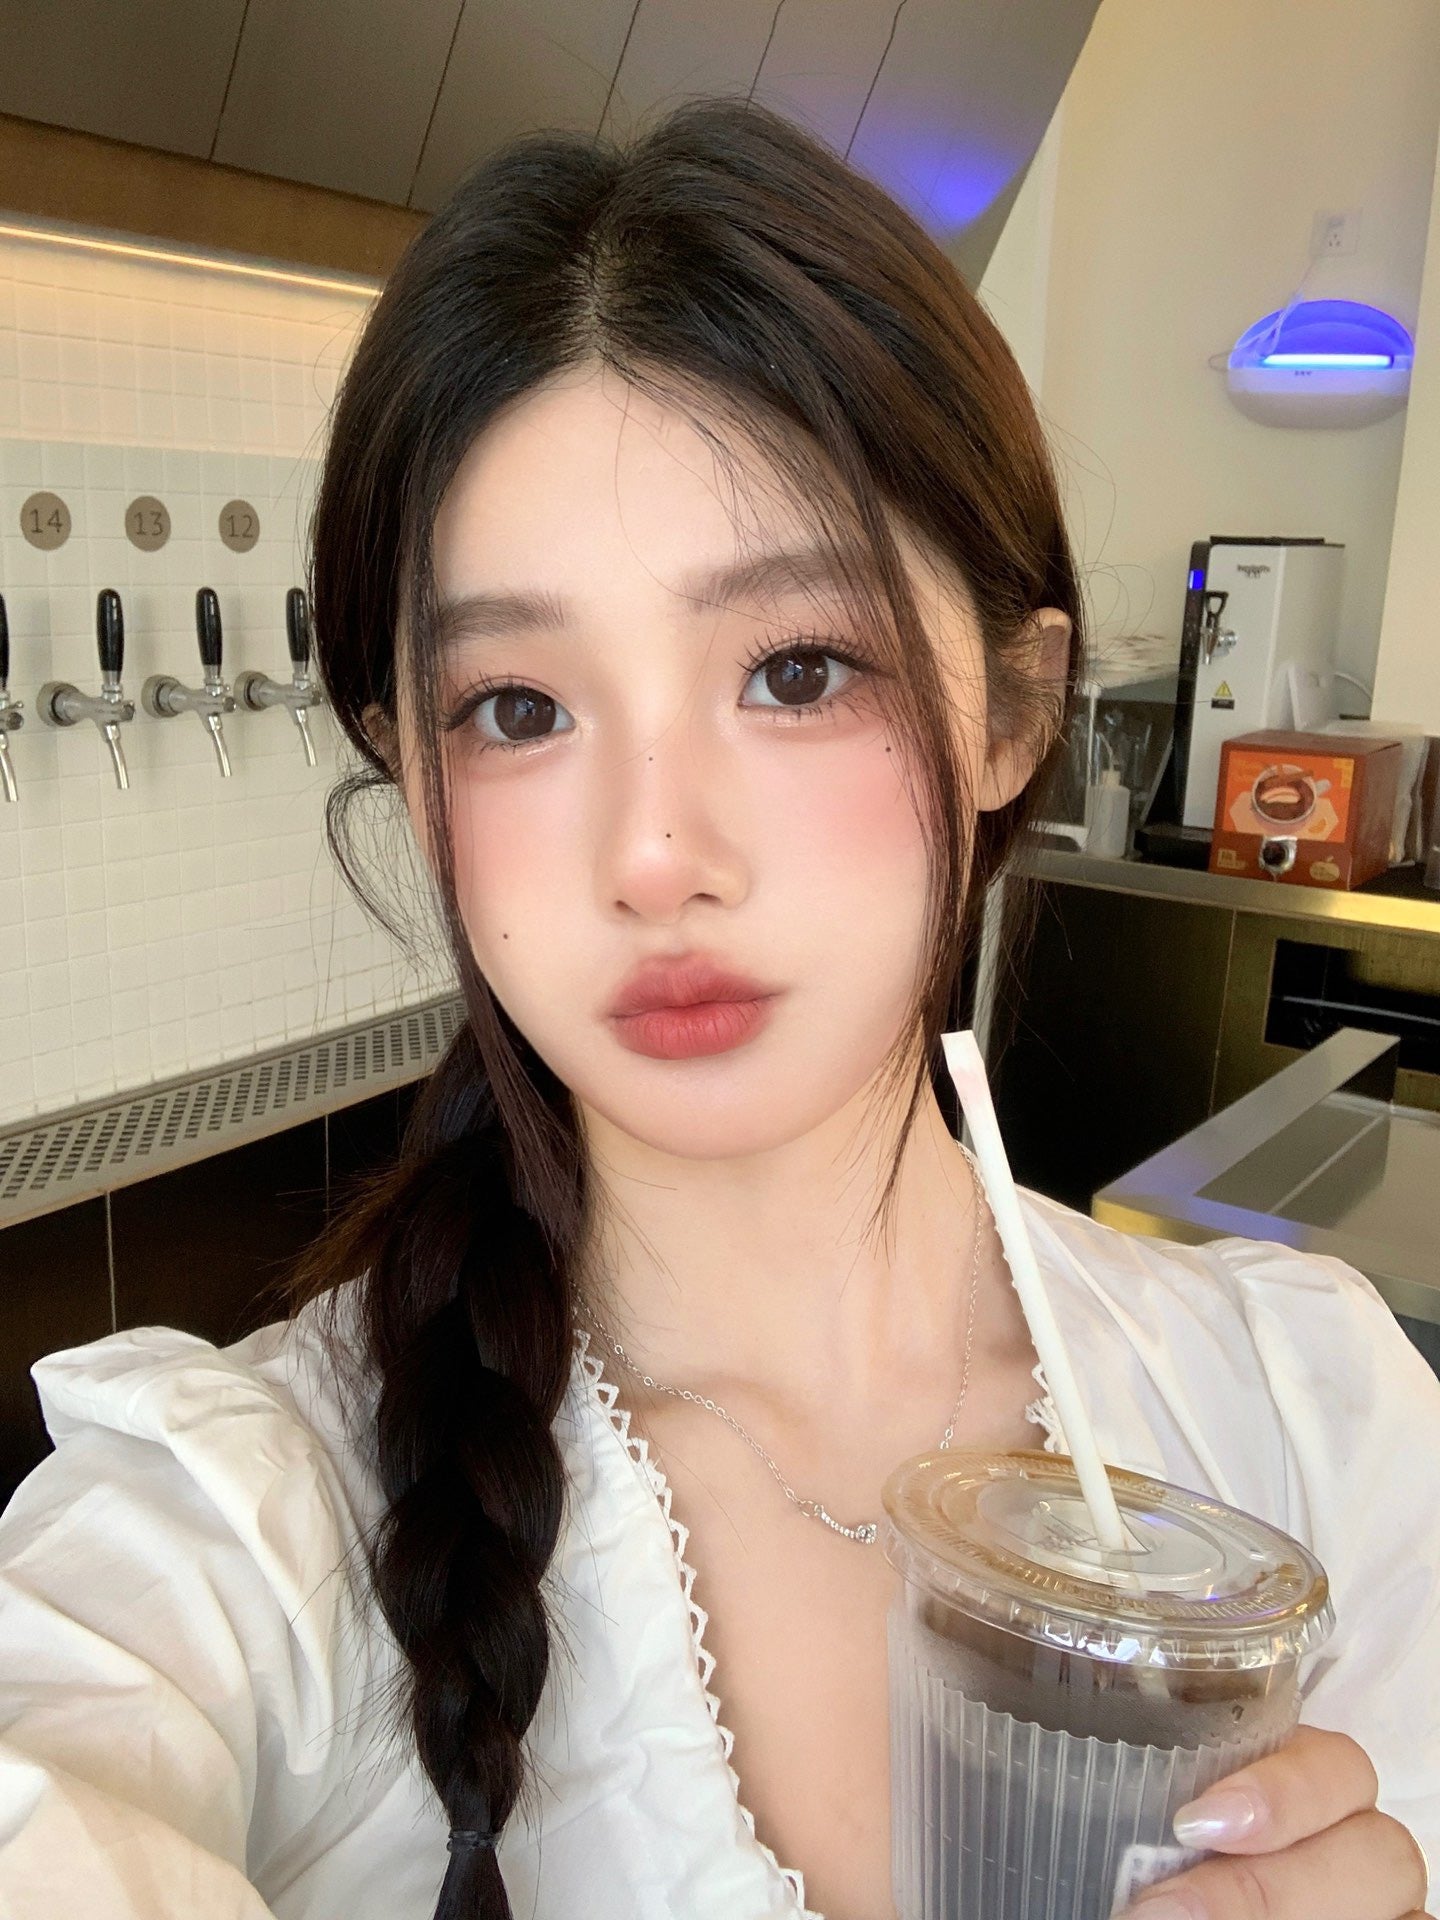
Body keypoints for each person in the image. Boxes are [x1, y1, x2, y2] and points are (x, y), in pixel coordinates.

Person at [0, 97, 1436, 1920]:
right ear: (417, 777)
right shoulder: (254, 1522)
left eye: (798, 669)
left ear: (1012, 710)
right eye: (518, 709)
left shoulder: (1318, 1423)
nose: (654, 854)